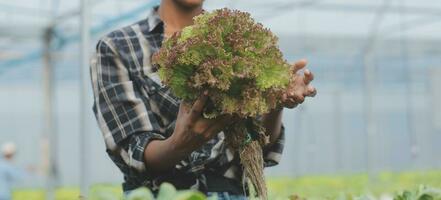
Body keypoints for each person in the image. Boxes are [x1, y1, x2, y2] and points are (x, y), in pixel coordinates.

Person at [90, 0, 316, 199]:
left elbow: (259, 146)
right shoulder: (118, 46)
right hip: (159, 195)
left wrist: (275, 102)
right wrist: (177, 144)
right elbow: (133, 152)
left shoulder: (238, 39)